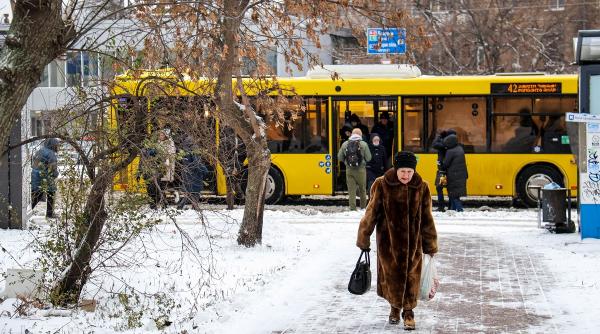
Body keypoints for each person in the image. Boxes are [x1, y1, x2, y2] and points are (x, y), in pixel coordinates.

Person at [356, 151, 438, 330]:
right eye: (403, 171)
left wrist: (430, 245)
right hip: (389, 244)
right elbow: (371, 214)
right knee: (392, 278)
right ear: (396, 169)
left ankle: (408, 312)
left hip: (413, 245)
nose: (406, 176)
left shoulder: (422, 187)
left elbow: (427, 218)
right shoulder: (382, 185)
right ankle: (394, 308)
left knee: (411, 278)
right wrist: (364, 237)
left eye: (410, 172)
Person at [338, 128, 372, 210]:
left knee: (351, 191)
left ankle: (353, 208)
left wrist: (347, 162)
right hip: (361, 171)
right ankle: (363, 207)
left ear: (352, 134)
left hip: (349, 170)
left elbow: (339, 157)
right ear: (360, 135)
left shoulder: (345, 144)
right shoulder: (364, 144)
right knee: (362, 190)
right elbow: (369, 158)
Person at [31, 138, 60, 218]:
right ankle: (50, 213)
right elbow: (53, 169)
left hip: (35, 174)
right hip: (45, 176)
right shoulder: (51, 154)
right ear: (53, 145)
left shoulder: (40, 150)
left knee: (36, 193)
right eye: (56, 146)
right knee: (51, 193)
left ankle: (28, 210)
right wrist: (56, 174)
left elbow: (34, 163)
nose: (57, 147)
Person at [177, 137, 208, 210]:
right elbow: (196, 163)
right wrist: (205, 170)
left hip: (186, 173)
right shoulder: (194, 150)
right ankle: (195, 207)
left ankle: (181, 206)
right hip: (195, 174)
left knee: (189, 191)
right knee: (196, 191)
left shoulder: (183, 150)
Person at [431, 129, 456, 212]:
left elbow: (434, 144)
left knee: (439, 188)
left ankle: (441, 207)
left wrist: (439, 136)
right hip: (450, 169)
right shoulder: (453, 145)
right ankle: (450, 206)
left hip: (442, 170)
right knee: (449, 189)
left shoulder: (444, 144)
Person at [442, 133, 468, 212]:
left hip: (453, 175)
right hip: (460, 175)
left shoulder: (450, 151)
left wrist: (441, 165)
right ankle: (453, 209)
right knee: (454, 194)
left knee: (454, 195)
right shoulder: (460, 148)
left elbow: (446, 164)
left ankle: (460, 210)